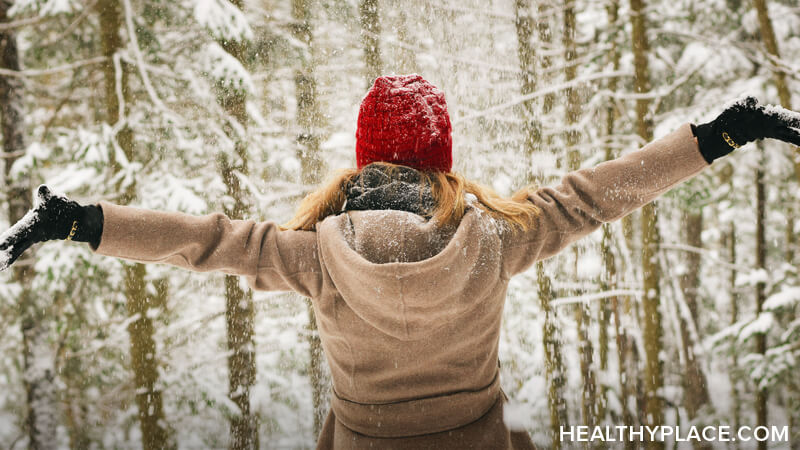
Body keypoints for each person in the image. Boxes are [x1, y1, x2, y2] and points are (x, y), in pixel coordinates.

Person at [1, 74, 799, 449]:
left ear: (360, 163)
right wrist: (721, 134)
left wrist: (81, 221)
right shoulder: (496, 237)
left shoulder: (315, 256)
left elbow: (203, 241)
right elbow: (598, 195)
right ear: (441, 163)